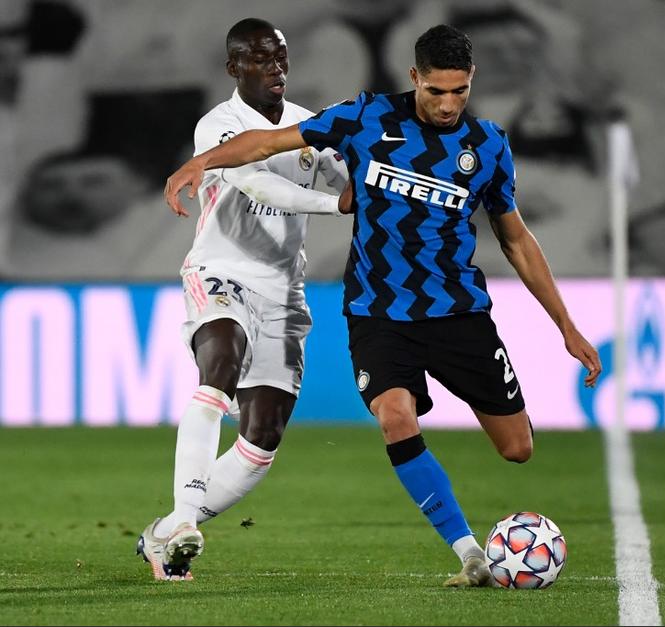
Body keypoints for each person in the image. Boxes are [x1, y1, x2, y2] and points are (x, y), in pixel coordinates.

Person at [165, 24, 601, 587]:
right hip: (378, 311)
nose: (448, 105)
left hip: (457, 310)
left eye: (460, 92)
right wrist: (201, 163)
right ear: (414, 77)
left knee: (517, 449)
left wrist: (566, 326)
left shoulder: (488, 144)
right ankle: (469, 552)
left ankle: (176, 521)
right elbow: (269, 144)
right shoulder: (365, 117)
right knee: (396, 417)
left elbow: (516, 239)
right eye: (436, 91)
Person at [137, 18, 348, 581]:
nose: (274, 67)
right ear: (233, 67)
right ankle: (185, 522)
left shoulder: (309, 125)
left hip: (284, 288)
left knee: (263, 435)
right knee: (219, 367)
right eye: (258, 58)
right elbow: (255, 182)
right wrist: (334, 207)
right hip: (222, 271)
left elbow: (346, 177)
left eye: (279, 56)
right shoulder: (219, 126)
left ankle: (168, 532)